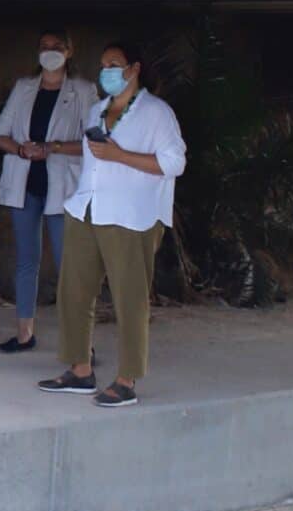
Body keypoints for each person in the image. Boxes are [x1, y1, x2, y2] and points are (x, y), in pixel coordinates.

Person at [38, 43, 186, 409]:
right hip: (87, 209)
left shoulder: (156, 113)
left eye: (115, 65)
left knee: (129, 300)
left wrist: (121, 155)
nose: (107, 72)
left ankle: (126, 379)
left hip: (131, 216)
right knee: (73, 292)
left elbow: (174, 164)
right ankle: (80, 370)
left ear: (134, 68)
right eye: (103, 65)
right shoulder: (97, 110)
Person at [0, 30, 95, 352]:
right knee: (26, 260)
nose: (50, 52)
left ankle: (80, 340)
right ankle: (25, 332)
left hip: (63, 187)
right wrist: (22, 150)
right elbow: (0, 136)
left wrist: (55, 147)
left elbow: (94, 142)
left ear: (70, 50)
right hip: (25, 186)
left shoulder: (83, 90)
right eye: (45, 47)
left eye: (57, 47)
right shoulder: (24, 88)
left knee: (71, 264)